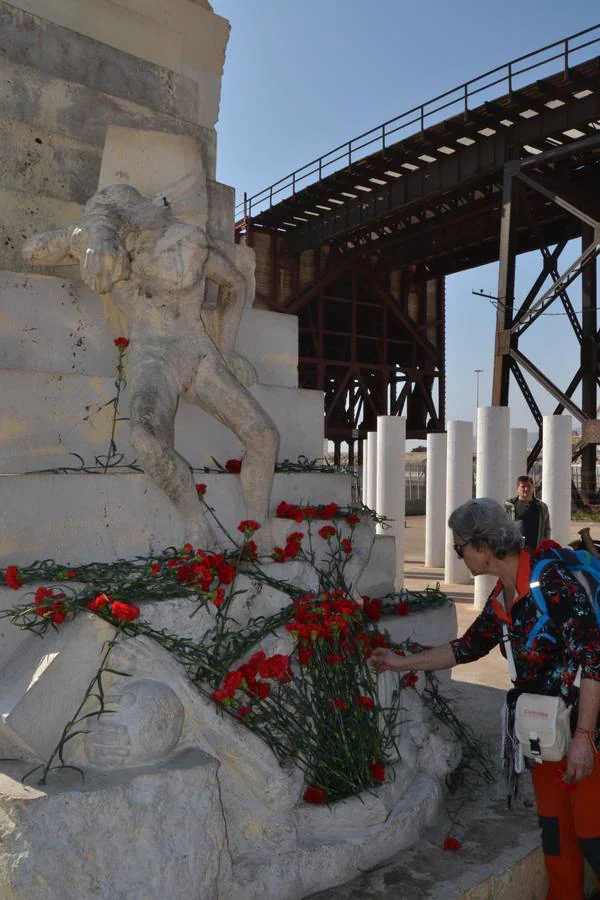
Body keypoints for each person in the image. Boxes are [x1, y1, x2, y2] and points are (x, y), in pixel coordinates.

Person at [22, 184, 279, 552]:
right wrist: (90, 233)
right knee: (145, 439)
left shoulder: (188, 239)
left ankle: (257, 530)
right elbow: (31, 250)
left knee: (265, 436)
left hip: (198, 351)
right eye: (113, 213)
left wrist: (228, 349)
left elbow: (234, 285)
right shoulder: (105, 244)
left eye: (128, 209)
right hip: (153, 356)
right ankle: (196, 525)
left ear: (149, 207)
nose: (127, 218)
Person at [372, 498, 600, 900]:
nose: (458, 555)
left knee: (594, 840)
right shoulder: (502, 596)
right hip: (544, 738)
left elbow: (594, 662)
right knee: (556, 841)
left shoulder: (553, 583)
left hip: (586, 739)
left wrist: (584, 736)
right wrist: (399, 662)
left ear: (483, 544)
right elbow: (466, 648)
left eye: (459, 547)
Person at [505, 475, 551, 553]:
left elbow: (547, 530)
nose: (526, 489)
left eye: (529, 486)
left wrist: (545, 545)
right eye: (523, 486)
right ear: (517, 488)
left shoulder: (542, 507)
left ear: (533, 488)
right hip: (515, 551)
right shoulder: (509, 506)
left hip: (536, 550)